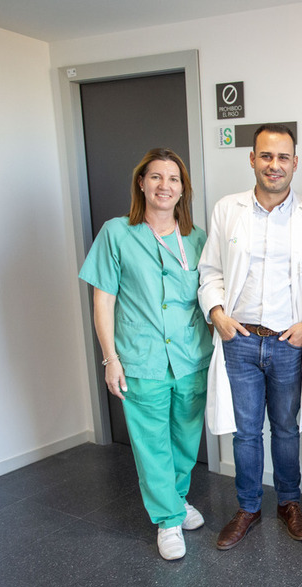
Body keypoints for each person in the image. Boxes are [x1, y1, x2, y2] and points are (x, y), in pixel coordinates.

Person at [198, 124, 302, 549]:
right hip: (239, 340)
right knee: (245, 432)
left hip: (289, 343)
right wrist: (217, 313)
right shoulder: (227, 210)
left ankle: (289, 504)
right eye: (266, 156)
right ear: (252, 159)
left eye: (283, 157)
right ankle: (248, 508)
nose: (274, 165)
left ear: (295, 162)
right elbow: (210, 271)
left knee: (287, 430)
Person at [79, 147, 212, 561]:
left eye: (173, 179)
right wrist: (110, 358)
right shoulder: (116, 233)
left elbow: (209, 296)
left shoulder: (197, 237)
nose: (164, 186)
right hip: (141, 357)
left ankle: (175, 498)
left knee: (185, 440)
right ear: (141, 183)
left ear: (182, 189)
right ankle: (168, 520)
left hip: (191, 357)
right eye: (156, 177)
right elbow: (103, 301)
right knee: (151, 442)